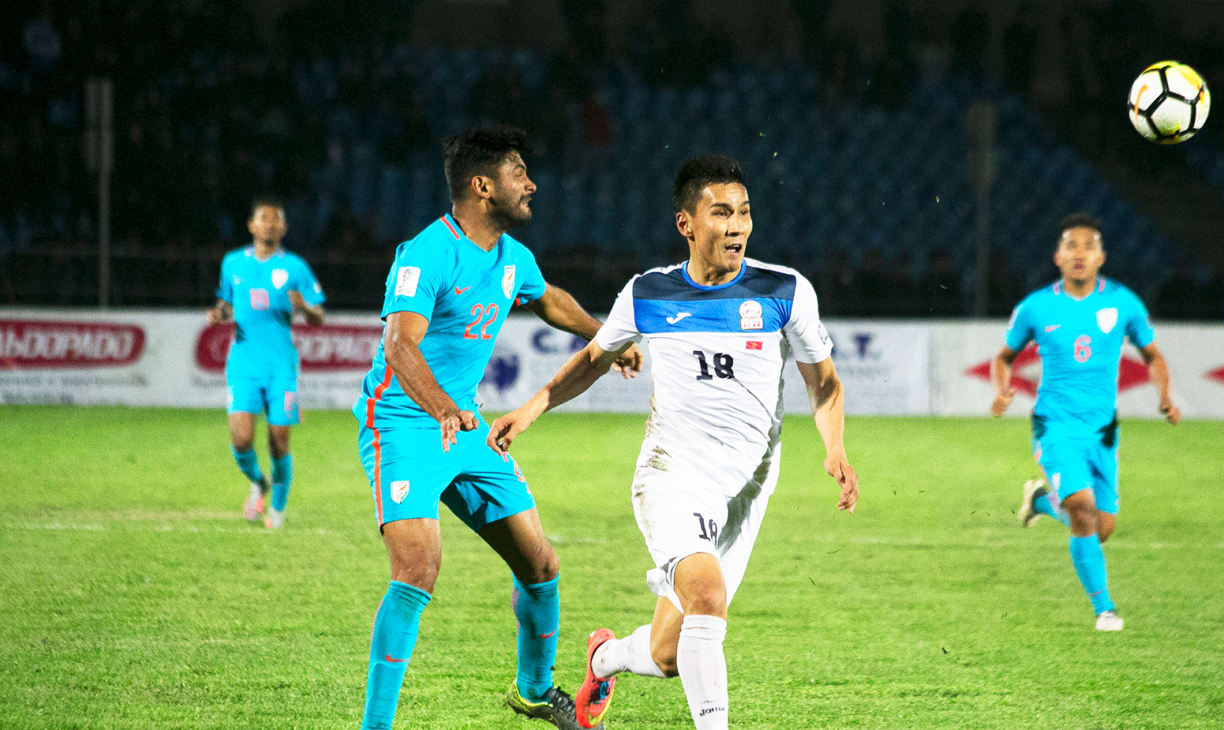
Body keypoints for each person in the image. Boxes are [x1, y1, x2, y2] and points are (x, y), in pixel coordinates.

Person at [486, 154, 859, 730]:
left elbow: (825, 383)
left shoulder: (785, 291)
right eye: (721, 213)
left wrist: (834, 448)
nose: (736, 226)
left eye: (743, 213)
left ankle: (603, 659)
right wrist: (532, 407)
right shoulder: (649, 292)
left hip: (748, 487)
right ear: (686, 223)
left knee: (669, 655)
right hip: (673, 472)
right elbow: (594, 359)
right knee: (707, 598)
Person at [352, 125, 642, 730]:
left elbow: (548, 299)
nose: (531, 184)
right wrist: (441, 408)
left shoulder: (513, 257)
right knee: (417, 568)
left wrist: (605, 336)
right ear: (483, 186)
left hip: (465, 427)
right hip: (402, 424)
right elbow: (399, 346)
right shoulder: (427, 254)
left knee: (541, 565)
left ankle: (533, 692)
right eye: (518, 173)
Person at [987, 213, 1180, 632]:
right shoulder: (1036, 307)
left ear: (1101, 257)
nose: (1079, 253)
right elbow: (1003, 357)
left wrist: (1164, 396)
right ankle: (1105, 610)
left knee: (1100, 528)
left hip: (1103, 431)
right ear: (1057, 256)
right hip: (1055, 425)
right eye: (1070, 246)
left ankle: (1041, 501)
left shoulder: (1124, 303)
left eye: (1088, 246)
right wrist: (1002, 390)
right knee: (1082, 509)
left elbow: (1153, 356)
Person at [206, 196, 325, 529]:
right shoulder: (233, 263)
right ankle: (259, 482)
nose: (270, 224)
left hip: (280, 368)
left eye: (276, 219)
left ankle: (277, 509)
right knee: (241, 439)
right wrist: (219, 313)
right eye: (264, 218)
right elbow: (226, 303)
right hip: (243, 364)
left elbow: (318, 316)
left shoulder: (296, 268)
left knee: (279, 440)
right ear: (251, 225)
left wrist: (305, 307)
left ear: (284, 228)